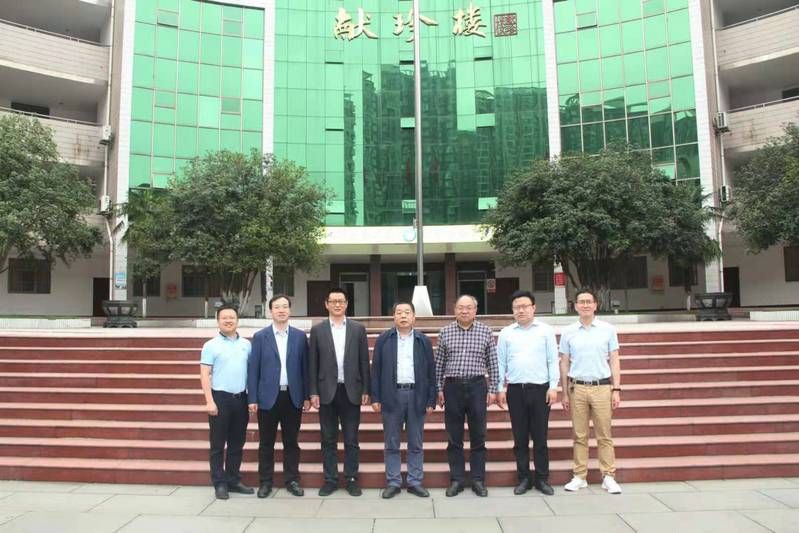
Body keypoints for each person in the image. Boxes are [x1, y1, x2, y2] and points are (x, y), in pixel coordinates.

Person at [559, 288, 623, 494]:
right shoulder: (568, 331)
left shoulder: (608, 329)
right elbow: (564, 363)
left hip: (602, 387)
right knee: (580, 435)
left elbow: (614, 360)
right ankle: (579, 476)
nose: (585, 305)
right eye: (581, 302)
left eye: (589, 301)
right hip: (577, 388)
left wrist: (616, 389)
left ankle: (608, 476)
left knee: (604, 435)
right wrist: (564, 392)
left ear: (596, 305)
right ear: (575, 306)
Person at [308, 287, 370, 496]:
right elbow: (312, 363)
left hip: (351, 390)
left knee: (351, 438)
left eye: (341, 301)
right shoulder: (318, 330)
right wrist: (313, 392)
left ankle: (351, 478)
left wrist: (366, 388)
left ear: (346, 304)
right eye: (333, 301)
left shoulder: (357, 329)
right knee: (328, 439)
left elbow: (364, 361)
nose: (337, 304)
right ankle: (330, 479)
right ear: (326, 304)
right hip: (326, 391)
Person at [370, 301, 436, 499]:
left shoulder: (423, 340)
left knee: (416, 442)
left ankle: (415, 481)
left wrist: (431, 399)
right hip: (392, 395)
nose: (403, 316)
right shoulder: (384, 339)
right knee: (392, 442)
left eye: (407, 312)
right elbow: (376, 370)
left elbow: (431, 371)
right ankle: (393, 482)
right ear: (394, 317)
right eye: (399, 312)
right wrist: (375, 397)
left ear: (414, 317)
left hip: (417, 395)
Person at [435, 294, 499, 497]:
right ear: (455, 310)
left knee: (478, 436)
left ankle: (478, 480)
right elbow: (439, 364)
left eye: (468, 307)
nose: (464, 311)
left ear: (475, 310)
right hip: (452, 387)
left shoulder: (485, 331)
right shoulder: (445, 332)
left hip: (477, 386)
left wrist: (493, 389)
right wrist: (438, 389)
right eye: (460, 307)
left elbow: (493, 362)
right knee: (454, 437)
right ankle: (457, 480)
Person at [247, 295, 310, 498]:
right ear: (270, 311)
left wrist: (307, 396)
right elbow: (253, 370)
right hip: (267, 398)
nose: (281, 310)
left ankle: (292, 480)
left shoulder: (300, 337)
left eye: (284, 307)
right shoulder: (260, 337)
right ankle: (265, 482)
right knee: (266, 443)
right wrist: (252, 398)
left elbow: (305, 368)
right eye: (277, 307)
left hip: (292, 397)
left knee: (291, 442)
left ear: (290, 310)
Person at [496, 290, 557, 496]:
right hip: (515, 390)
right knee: (520, 437)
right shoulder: (506, 333)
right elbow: (501, 362)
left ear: (533, 308)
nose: (520, 310)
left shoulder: (546, 331)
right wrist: (499, 388)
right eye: (516, 307)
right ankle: (523, 478)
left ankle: (542, 479)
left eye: (524, 306)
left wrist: (553, 386)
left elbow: (552, 360)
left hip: (541, 389)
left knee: (540, 437)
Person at [200, 304, 254, 500]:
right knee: (217, 444)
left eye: (232, 317)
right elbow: (204, 374)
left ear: (237, 320)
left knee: (237, 443)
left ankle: (233, 480)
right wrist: (209, 401)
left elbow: (251, 373)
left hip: (241, 399)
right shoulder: (210, 345)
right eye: (224, 318)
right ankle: (219, 483)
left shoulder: (247, 344)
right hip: (220, 399)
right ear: (218, 321)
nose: (228, 321)